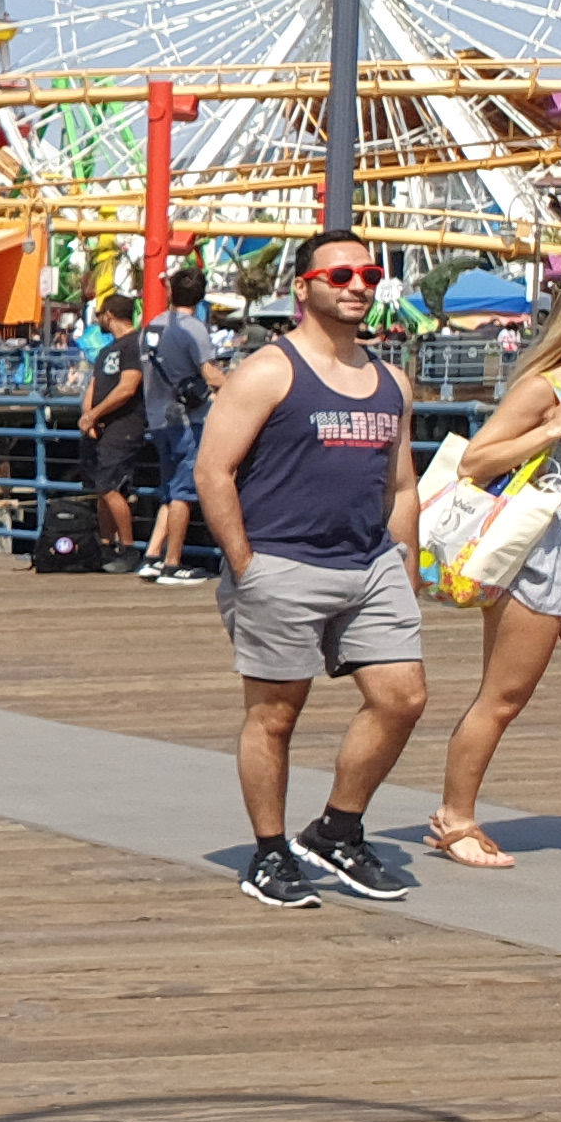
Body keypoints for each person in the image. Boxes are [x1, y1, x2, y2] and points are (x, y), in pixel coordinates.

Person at [197, 229, 425, 906]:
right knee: (275, 715)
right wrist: (247, 564)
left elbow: (402, 485)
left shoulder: (391, 382)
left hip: (370, 562)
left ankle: (337, 830)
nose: (358, 286)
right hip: (282, 562)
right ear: (304, 288)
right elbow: (213, 471)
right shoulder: (270, 371)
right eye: (341, 275)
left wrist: (406, 567)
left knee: (402, 698)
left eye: (369, 275)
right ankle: (269, 853)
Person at [422, 262, 561, 869]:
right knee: (505, 696)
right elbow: (474, 462)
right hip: (542, 544)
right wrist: (553, 429)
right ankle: (455, 817)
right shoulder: (545, 387)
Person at [137, 261, 221, 585]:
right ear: (201, 295)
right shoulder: (193, 328)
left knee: (170, 489)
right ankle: (173, 563)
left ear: (171, 291)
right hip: (187, 419)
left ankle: (152, 556)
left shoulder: (152, 327)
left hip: (158, 417)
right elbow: (210, 374)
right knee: (184, 492)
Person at [75, 290, 148, 559]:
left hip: (125, 425)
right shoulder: (107, 350)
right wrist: (88, 416)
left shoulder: (134, 345)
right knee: (101, 487)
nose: (99, 321)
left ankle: (128, 548)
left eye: (100, 315)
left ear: (109, 315)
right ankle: (106, 545)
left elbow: (128, 387)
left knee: (110, 486)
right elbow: (94, 387)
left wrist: (95, 414)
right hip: (101, 427)